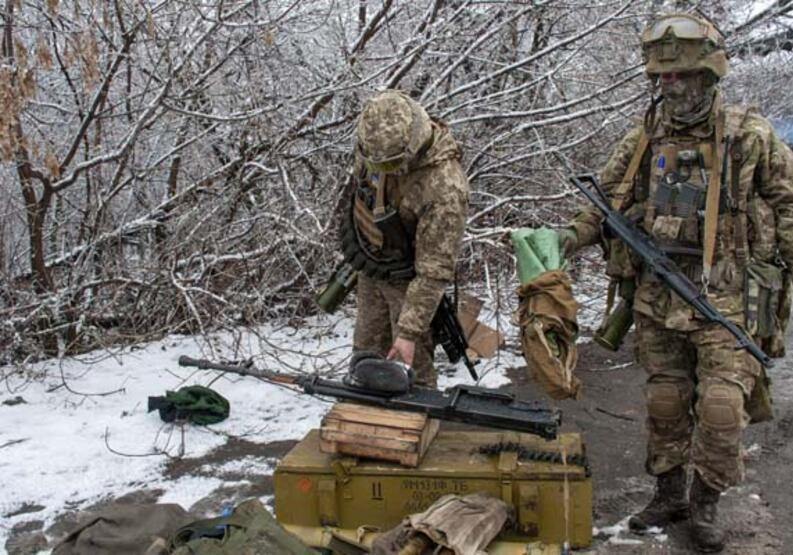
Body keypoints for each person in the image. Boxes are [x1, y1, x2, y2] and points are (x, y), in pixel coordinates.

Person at [558, 13, 793, 553]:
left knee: (719, 408)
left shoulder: (749, 136)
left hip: (725, 296)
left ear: (709, 76)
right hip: (658, 295)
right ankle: (669, 493)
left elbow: (787, 205)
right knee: (665, 399)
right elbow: (606, 200)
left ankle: (706, 500)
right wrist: (567, 238)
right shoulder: (645, 136)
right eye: (661, 79)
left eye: (680, 77)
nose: (669, 87)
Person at [343, 89, 469, 388]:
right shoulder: (375, 144)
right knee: (365, 358)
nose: (380, 170)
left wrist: (409, 332)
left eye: (389, 165)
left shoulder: (444, 188)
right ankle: (366, 421)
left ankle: (414, 423)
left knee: (409, 372)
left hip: (411, 286)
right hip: (373, 268)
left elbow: (433, 271)